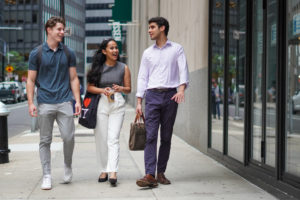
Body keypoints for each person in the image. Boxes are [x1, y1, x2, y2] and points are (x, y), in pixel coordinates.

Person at [27, 16, 81, 190]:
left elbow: (73, 78)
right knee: (45, 140)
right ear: (48, 30)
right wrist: (30, 103)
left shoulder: (68, 52)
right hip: (44, 102)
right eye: (58, 29)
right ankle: (47, 175)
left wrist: (77, 100)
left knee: (68, 137)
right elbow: (30, 80)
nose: (62, 32)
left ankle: (67, 165)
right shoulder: (37, 53)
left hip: (65, 100)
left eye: (62, 29)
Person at [136, 17, 189, 187]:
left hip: (170, 96)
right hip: (151, 96)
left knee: (166, 137)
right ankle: (149, 174)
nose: (149, 30)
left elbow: (183, 71)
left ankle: (161, 173)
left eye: (152, 27)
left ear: (162, 28)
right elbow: (142, 77)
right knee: (150, 136)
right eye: (149, 27)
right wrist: (139, 101)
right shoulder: (147, 53)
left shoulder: (177, 49)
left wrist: (181, 90)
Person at [86, 38, 131, 186]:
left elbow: (129, 89)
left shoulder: (124, 67)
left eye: (116, 48)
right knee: (101, 138)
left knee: (113, 138)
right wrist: (102, 90)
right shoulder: (97, 68)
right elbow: (90, 88)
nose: (115, 51)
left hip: (117, 103)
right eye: (111, 48)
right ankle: (103, 169)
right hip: (101, 103)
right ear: (104, 51)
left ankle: (113, 171)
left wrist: (121, 89)